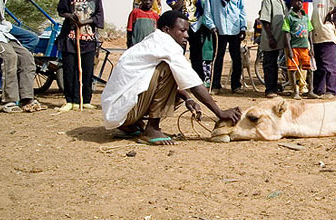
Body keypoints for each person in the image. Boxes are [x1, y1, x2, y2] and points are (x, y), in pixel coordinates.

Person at [102, 10, 242, 145]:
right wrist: (220, 112)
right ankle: (152, 129)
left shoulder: (153, 41)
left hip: (118, 112)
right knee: (168, 69)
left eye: (187, 31)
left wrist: (188, 98)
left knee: (177, 80)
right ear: (167, 29)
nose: (187, 35)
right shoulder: (166, 44)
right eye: (182, 30)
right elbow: (193, 82)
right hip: (122, 112)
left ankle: (131, 126)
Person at [56, 0, 105, 112]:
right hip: (71, 38)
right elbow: (61, 10)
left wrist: (84, 21)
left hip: (88, 38)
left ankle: (85, 99)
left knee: (87, 71)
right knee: (70, 70)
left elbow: (99, 16)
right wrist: (71, 16)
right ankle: (70, 100)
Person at [203, 0, 247, 94]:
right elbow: (208, 7)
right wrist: (210, 25)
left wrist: (243, 26)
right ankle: (216, 85)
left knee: (236, 58)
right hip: (219, 27)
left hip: (234, 27)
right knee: (218, 57)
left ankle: (236, 85)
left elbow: (241, 8)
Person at [166, 0, 206, 79]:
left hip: (194, 27)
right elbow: (174, 8)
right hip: (179, 28)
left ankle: (198, 79)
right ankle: (175, 78)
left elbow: (200, 9)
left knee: (196, 54)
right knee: (178, 53)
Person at [283, 0, 317, 100]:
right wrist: (289, 49)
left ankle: (310, 91)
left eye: (301, 1)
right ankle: (295, 91)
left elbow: (310, 31)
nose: (299, 3)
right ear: (292, 2)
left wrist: (311, 46)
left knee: (310, 69)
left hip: (305, 48)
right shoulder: (289, 17)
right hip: (294, 47)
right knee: (293, 70)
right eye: (297, 1)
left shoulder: (305, 17)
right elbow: (286, 34)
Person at [259, 0, 287, 98]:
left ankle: (274, 87)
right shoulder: (268, 0)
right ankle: (269, 89)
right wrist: (271, 38)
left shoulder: (282, 2)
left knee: (275, 65)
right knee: (269, 64)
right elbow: (265, 21)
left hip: (279, 39)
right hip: (270, 39)